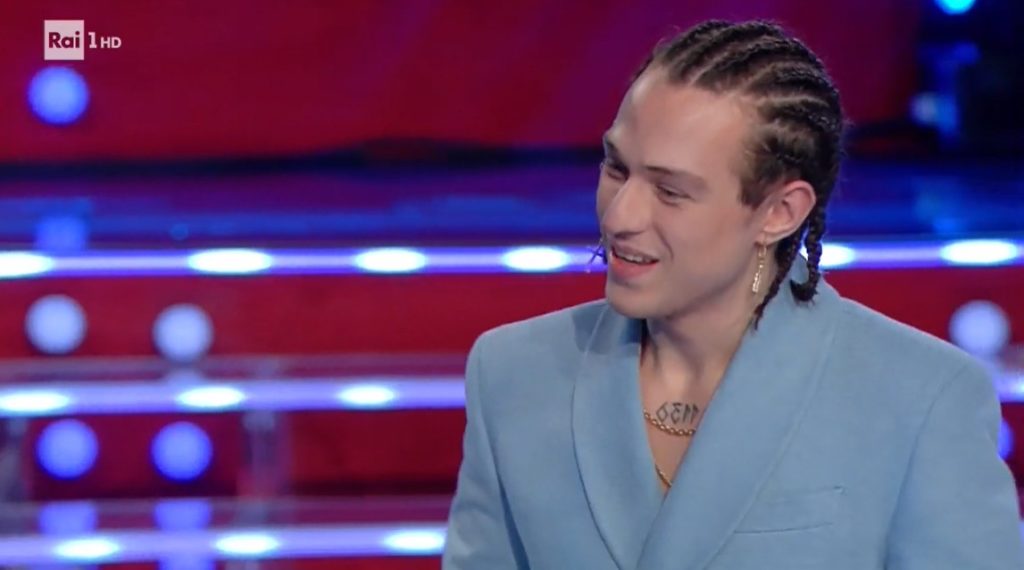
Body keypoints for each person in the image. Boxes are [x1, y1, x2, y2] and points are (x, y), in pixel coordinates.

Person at [442, 19, 1023, 569]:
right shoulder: (512, 373)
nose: (619, 216)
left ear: (779, 212)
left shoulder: (921, 397)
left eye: (671, 192)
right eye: (616, 169)